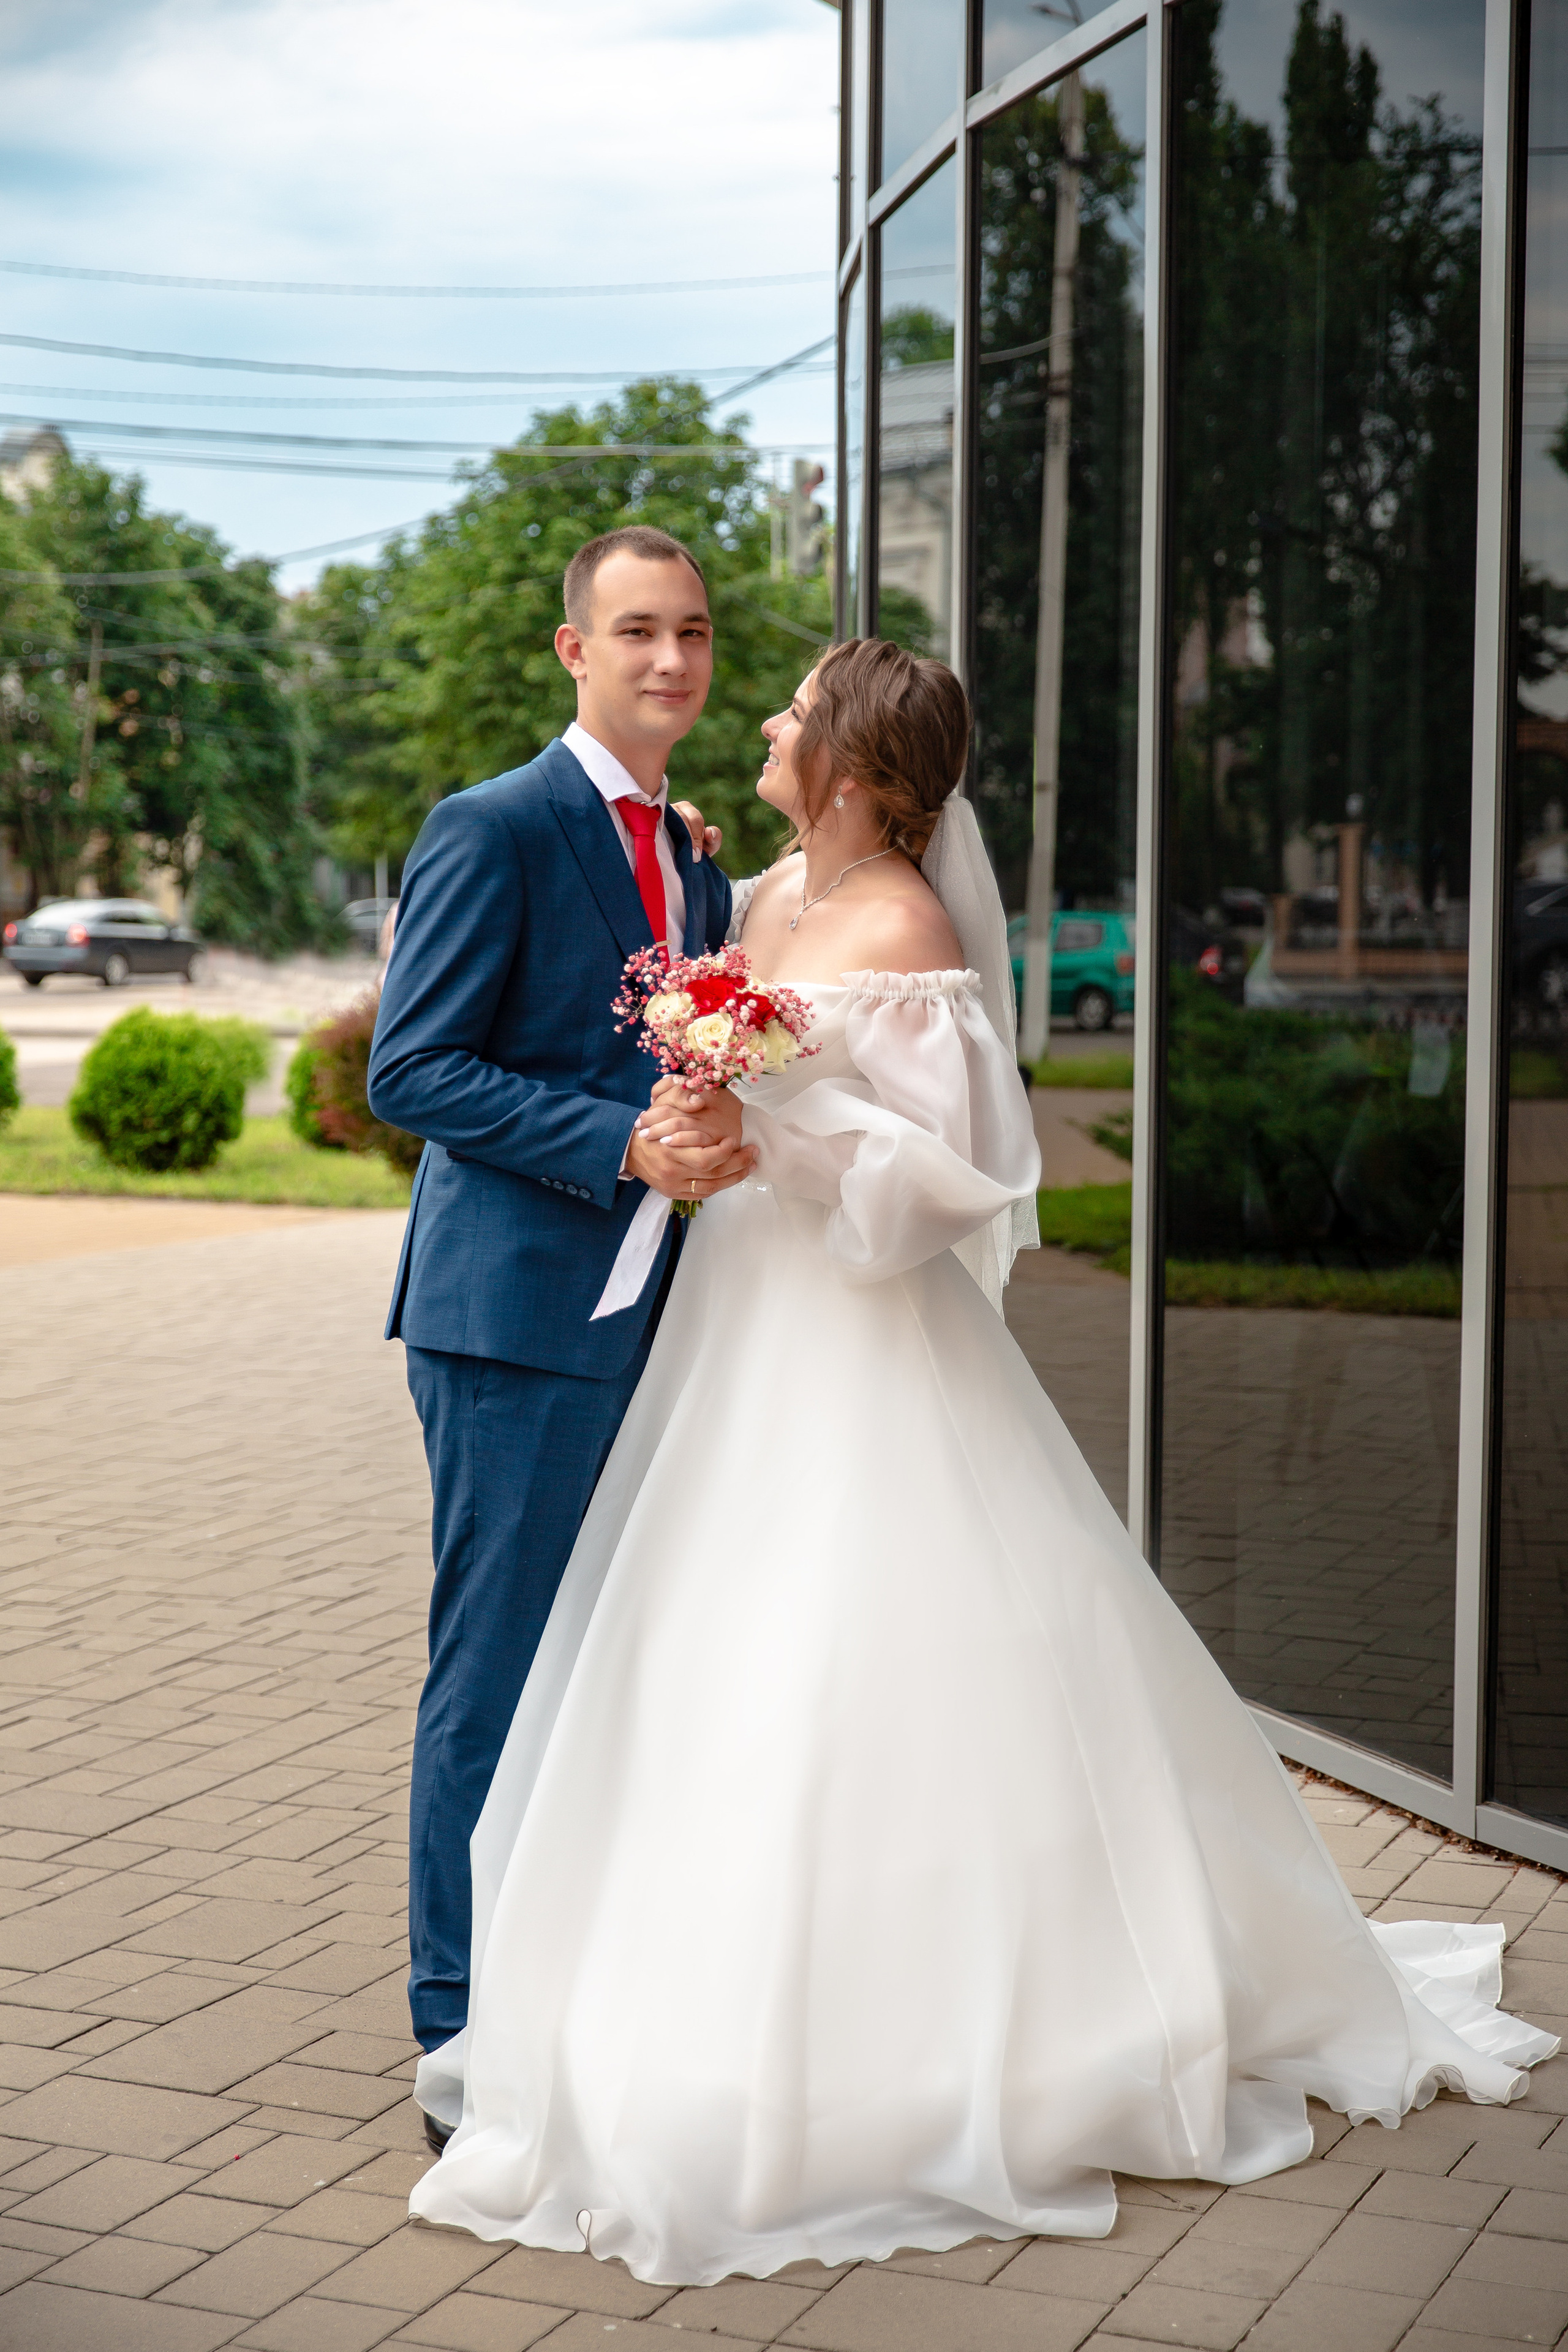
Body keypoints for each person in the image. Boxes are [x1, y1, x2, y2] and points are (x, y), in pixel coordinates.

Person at [409, 638, 1555, 2281]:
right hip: (736, 1325)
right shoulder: (757, 899)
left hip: (862, 1339)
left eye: (795, 712)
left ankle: (956, 2035)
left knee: (865, 1651)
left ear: (857, 773)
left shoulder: (906, 929)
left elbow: (970, 1177)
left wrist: (782, 1134)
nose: (767, 719)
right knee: (703, 1649)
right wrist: (706, 1093)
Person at [366, 526, 747, 2121]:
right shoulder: (496, 827)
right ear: (571, 650)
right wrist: (621, 1143)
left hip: (663, 1313)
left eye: (695, 632)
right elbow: (414, 1069)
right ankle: (456, 2032)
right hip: (515, 1319)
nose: (670, 659)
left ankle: (578, 1983)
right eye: (636, 631)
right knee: (498, 1666)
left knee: (611, 1667)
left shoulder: (703, 853)